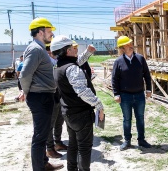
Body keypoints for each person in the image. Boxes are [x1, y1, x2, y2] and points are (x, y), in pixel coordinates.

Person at [51, 35, 104, 171]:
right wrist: (98, 105)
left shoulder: (59, 67)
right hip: (81, 115)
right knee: (84, 148)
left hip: (68, 113)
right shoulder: (72, 69)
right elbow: (82, 91)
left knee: (74, 146)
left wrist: (87, 53)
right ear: (67, 51)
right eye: (74, 48)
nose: (76, 50)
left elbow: (77, 62)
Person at [19, 17, 63, 170]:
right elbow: (24, 74)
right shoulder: (36, 49)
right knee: (39, 137)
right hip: (40, 96)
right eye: (49, 31)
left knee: (42, 133)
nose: (51, 34)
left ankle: (43, 163)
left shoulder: (39, 48)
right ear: (40, 32)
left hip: (43, 95)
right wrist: (25, 92)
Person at [111, 35, 152, 151]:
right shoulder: (118, 62)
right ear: (122, 48)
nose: (130, 45)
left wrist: (148, 89)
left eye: (130, 43)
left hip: (139, 95)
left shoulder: (140, 58)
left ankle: (141, 140)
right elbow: (114, 79)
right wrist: (116, 94)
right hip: (125, 96)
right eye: (128, 44)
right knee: (127, 119)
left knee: (140, 118)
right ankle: (127, 141)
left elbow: (147, 75)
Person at [45, 44, 68, 159]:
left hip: (59, 96)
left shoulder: (57, 61)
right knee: (50, 123)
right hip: (50, 97)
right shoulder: (44, 62)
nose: (51, 53)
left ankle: (57, 143)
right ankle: (50, 149)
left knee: (59, 120)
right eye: (49, 51)